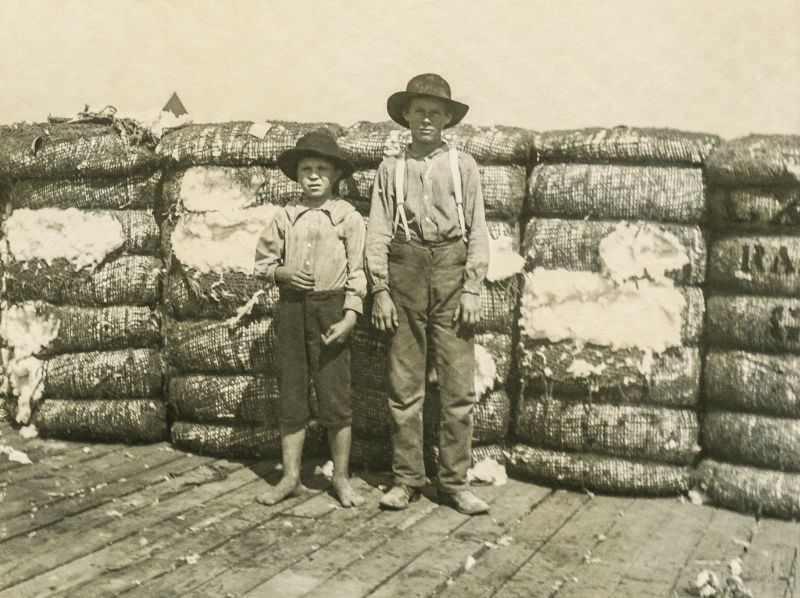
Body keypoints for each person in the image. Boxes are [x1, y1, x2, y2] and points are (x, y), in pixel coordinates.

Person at [366, 74, 491, 515]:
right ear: (405, 115)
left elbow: (477, 231)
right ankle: (406, 480)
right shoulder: (390, 169)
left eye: (435, 112)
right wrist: (379, 290)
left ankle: (455, 482)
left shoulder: (463, 166)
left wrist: (473, 289)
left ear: (446, 120)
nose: (426, 119)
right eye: (418, 110)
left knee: (457, 389)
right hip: (406, 271)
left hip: (453, 270)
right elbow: (378, 232)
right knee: (404, 387)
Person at [254, 131, 366, 508]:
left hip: (331, 310)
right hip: (291, 309)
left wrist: (351, 314)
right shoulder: (286, 216)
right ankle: (289, 477)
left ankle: (343, 479)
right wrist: (282, 274)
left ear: (335, 175)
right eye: (306, 169)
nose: (314, 176)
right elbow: (263, 263)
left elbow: (359, 272)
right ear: (297, 175)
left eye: (322, 169)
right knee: (292, 394)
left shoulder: (348, 218)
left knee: (335, 396)